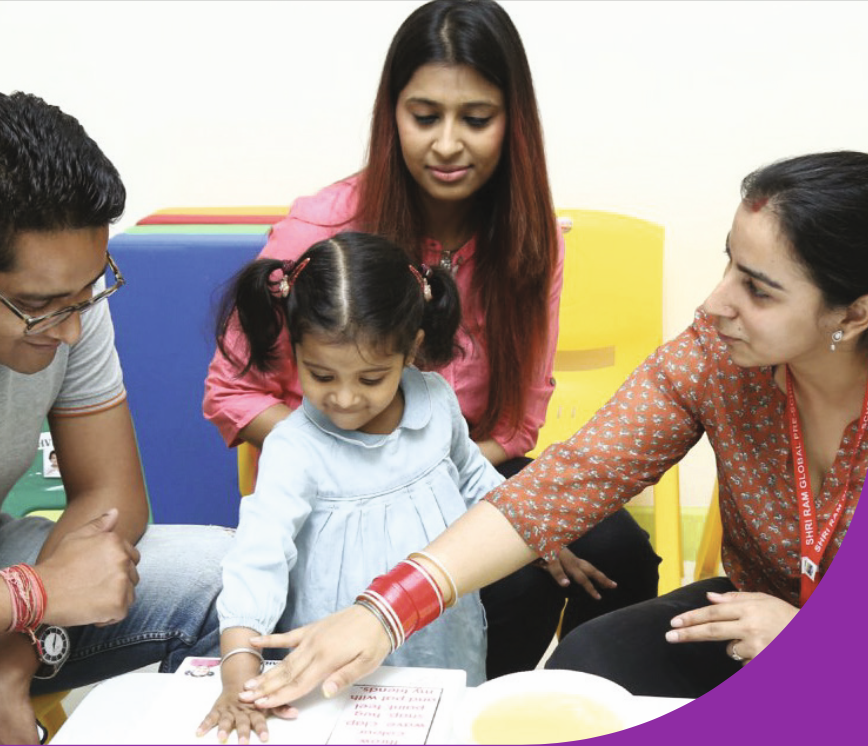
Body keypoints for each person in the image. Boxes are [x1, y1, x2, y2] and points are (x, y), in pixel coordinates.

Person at [231, 150, 868, 706]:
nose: (713, 302)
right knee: (585, 673)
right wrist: (384, 612)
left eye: (757, 290)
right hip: (750, 613)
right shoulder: (713, 356)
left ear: (856, 310)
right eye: (728, 265)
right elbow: (573, 478)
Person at [204, 0, 660, 679]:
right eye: (425, 116)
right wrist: (361, 461)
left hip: (460, 461)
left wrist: (467, 497)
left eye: (476, 118)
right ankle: (458, 703)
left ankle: (552, 709)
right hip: (341, 483)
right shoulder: (321, 228)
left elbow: (518, 419)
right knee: (520, 575)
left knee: (613, 552)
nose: (448, 144)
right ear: (393, 116)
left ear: (513, 121)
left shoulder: (532, 241)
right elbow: (230, 391)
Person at [0, 91, 232, 745]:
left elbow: (110, 494)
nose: (72, 329)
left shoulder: (65, 289)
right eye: (41, 307)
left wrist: (11, 656)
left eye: (88, 293)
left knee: (232, 578)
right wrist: (33, 595)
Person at [197, 233, 501, 742]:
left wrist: (536, 530)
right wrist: (238, 672)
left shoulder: (435, 400)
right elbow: (258, 558)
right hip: (335, 654)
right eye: (321, 375)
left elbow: (472, 476)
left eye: (369, 379)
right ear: (294, 349)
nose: (343, 398)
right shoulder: (295, 449)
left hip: (440, 627)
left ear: (412, 350)